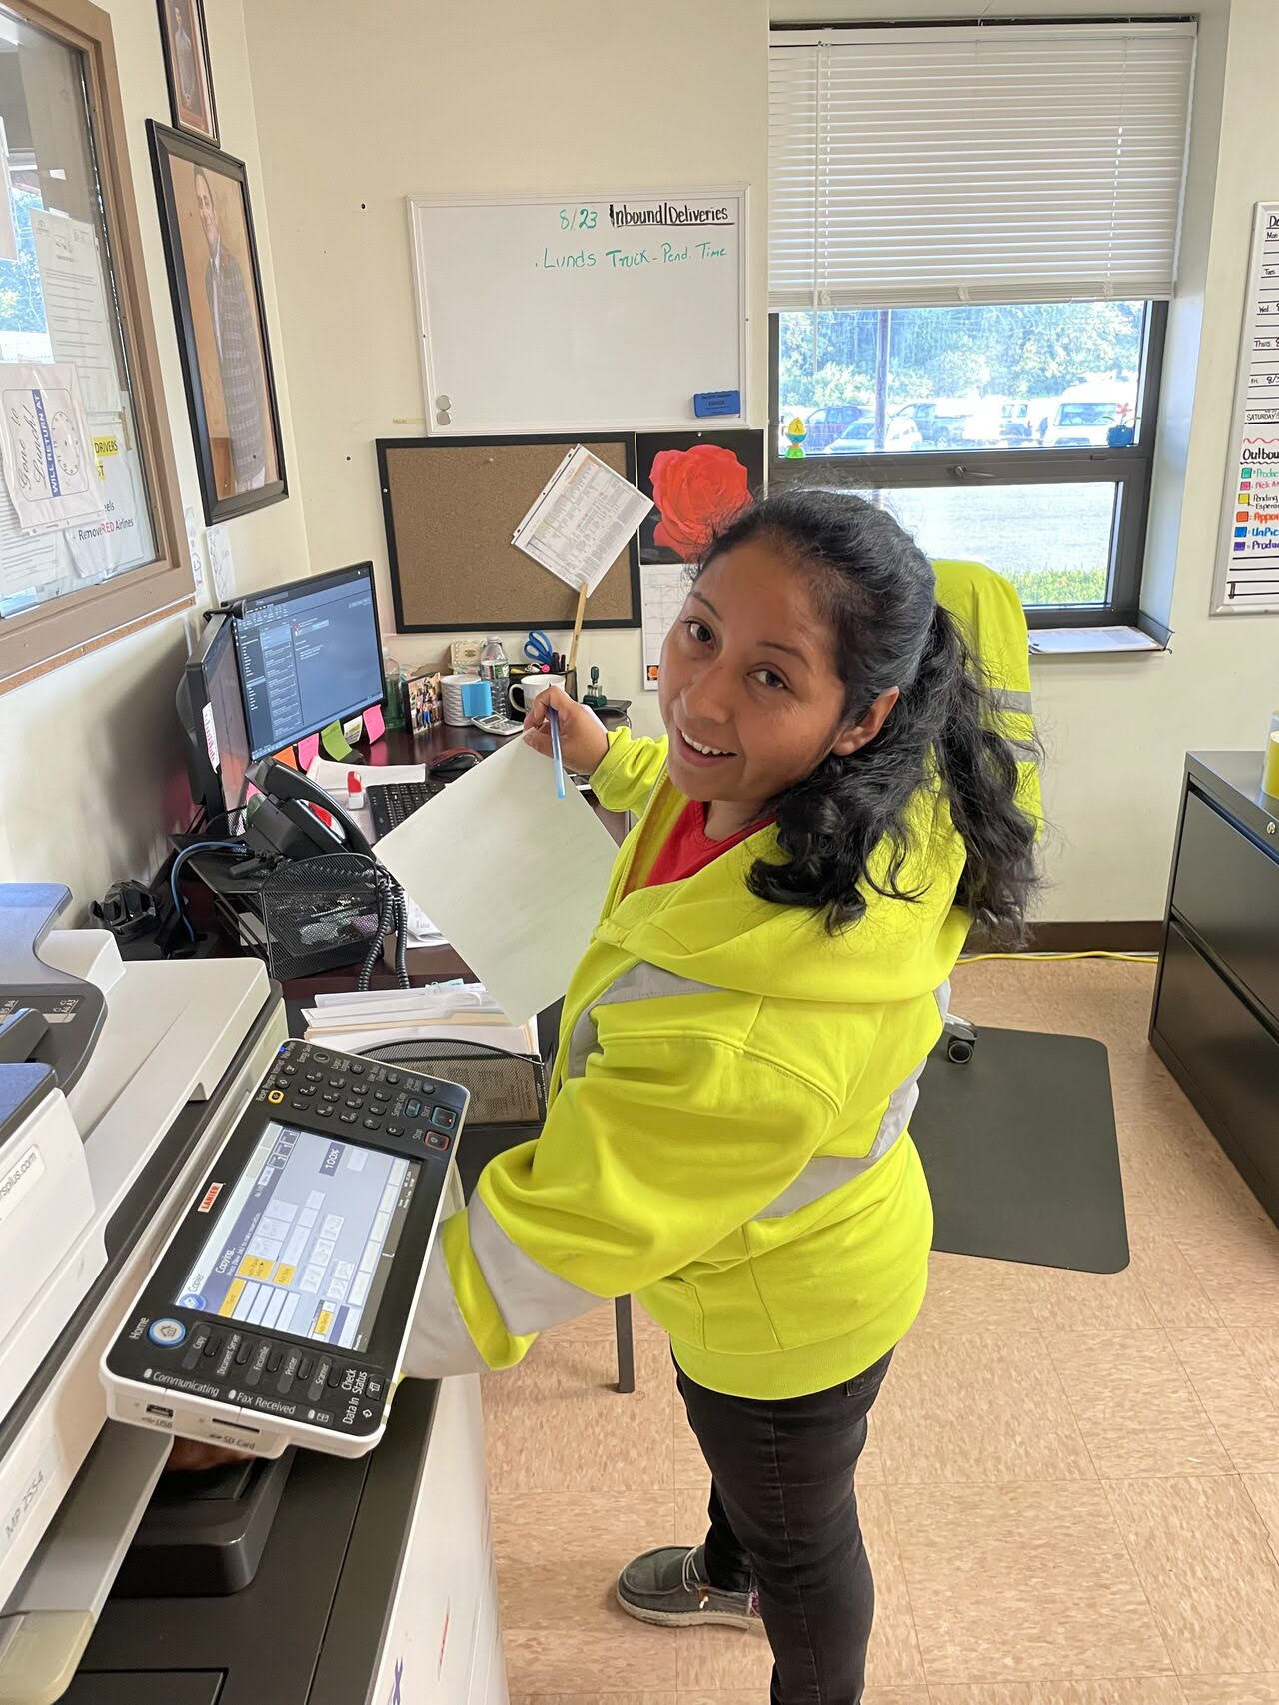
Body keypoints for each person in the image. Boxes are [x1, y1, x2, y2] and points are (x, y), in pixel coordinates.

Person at [403, 488, 1039, 1705]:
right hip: (809, 1232)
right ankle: (721, 1560)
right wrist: (605, 757)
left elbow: (531, 1250)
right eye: (699, 631)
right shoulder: (850, 797)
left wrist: (310, 1352)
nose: (698, 699)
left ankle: (787, 1643)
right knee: (754, 1473)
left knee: (803, 1536)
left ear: (862, 716)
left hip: (786, 1310)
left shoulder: (739, 1036)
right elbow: (692, 795)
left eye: (768, 677)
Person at [194, 167, 268, 495]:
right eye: (199, 203)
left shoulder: (230, 267)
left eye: (207, 201)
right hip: (225, 408)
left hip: (246, 408)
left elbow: (251, 342)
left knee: (251, 481)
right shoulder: (209, 275)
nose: (204, 211)